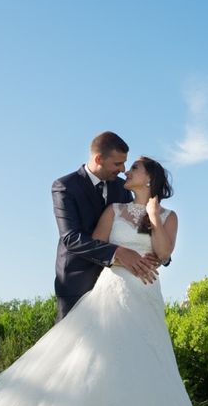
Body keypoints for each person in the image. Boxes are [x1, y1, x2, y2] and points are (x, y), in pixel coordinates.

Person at [0, 156, 200, 406]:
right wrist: (123, 259)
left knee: (148, 359)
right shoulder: (114, 209)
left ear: (149, 179)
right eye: (126, 165)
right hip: (114, 290)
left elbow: (164, 253)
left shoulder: (169, 216)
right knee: (101, 360)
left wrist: (154, 215)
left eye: (134, 167)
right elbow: (96, 245)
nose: (126, 170)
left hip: (146, 296)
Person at [51, 131, 158, 321]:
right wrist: (117, 252)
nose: (123, 169)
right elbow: (71, 238)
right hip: (77, 282)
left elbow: (136, 223)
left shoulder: (122, 188)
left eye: (125, 163)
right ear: (99, 158)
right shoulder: (65, 186)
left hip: (118, 285)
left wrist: (157, 254)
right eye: (117, 164)